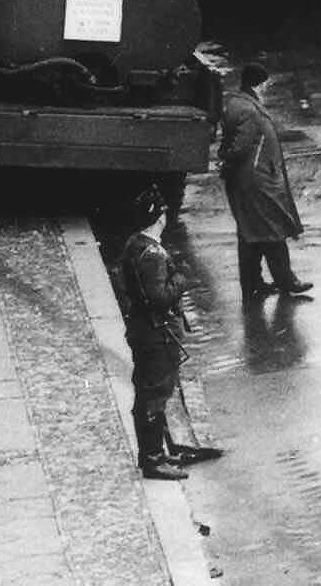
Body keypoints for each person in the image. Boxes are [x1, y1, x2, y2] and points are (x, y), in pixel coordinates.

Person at [115, 190, 214, 481]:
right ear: (158, 218)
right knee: (155, 395)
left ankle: (154, 452)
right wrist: (181, 278)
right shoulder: (153, 254)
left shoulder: (136, 244)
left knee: (150, 392)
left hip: (145, 330)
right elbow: (159, 297)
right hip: (157, 334)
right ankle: (153, 459)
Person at [219, 65, 314, 298]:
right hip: (257, 181)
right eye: (266, 84)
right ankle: (286, 280)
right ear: (257, 85)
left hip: (248, 180)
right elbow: (239, 147)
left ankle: (254, 283)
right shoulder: (249, 111)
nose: (268, 88)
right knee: (272, 231)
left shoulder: (238, 103)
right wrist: (229, 164)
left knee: (251, 234)